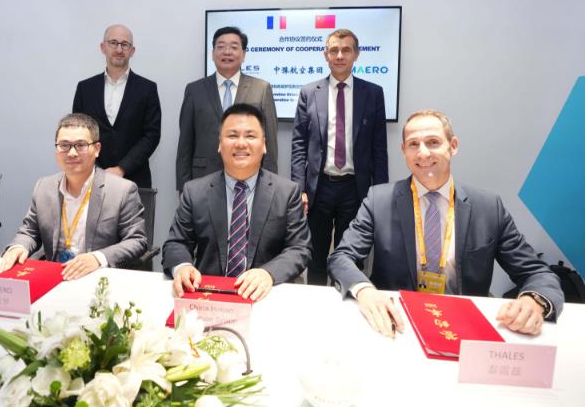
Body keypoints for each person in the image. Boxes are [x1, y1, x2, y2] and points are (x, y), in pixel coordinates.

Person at [328, 109, 565, 337]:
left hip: (464, 326)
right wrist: (365, 291)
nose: (423, 153)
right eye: (413, 144)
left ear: (453, 146)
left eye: (433, 142)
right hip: (398, 322)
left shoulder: (487, 207)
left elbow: (537, 273)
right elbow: (342, 257)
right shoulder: (378, 200)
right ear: (404, 151)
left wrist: (533, 301)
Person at [163, 104, 312, 301]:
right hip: (208, 296)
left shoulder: (286, 193)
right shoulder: (195, 191)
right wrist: (183, 267)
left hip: (264, 297)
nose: (241, 143)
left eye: (250, 136)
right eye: (232, 135)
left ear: (264, 145)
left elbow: (299, 248)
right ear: (219, 144)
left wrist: (269, 273)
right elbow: (176, 242)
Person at [0, 113, 147, 280]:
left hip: (98, 278)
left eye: (81, 145)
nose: (72, 153)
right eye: (64, 145)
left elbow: (136, 240)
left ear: (97, 149)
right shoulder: (43, 187)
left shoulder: (122, 190)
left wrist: (97, 258)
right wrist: (18, 247)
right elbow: (30, 232)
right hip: (54, 275)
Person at [291, 29, 388, 286]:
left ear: (356, 54)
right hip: (319, 188)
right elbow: (299, 144)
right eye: (334, 50)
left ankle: (347, 299)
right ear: (326, 55)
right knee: (315, 256)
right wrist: (300, 189)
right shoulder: (309, 92)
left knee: (350, 258)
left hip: (355, 188)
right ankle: (315, 303)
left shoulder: (373, 93)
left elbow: (379, 148)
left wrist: (379, 193)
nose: (340, 55)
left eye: (346, 50)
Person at [176, 26, 278, 192]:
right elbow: (185, 143)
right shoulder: (194, 90)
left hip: (250, 178)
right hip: (203, 178)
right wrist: (183, 186)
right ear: (212, 53)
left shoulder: (261, 89)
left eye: (233, 47)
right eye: (221, 46)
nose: (227, 52)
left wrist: (269, 186)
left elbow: (270, 145)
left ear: (243, 54)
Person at [73, 24, 161, 188]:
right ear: (103, 47)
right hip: (91, 179)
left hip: (135, 181)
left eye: (125, 44)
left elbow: (152, 135)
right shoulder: (85, 88)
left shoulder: (148, 89)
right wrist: (97, 170)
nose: (119, 49)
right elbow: (78, 133)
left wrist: (121, 168)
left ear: (132, 51)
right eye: (113, 43)